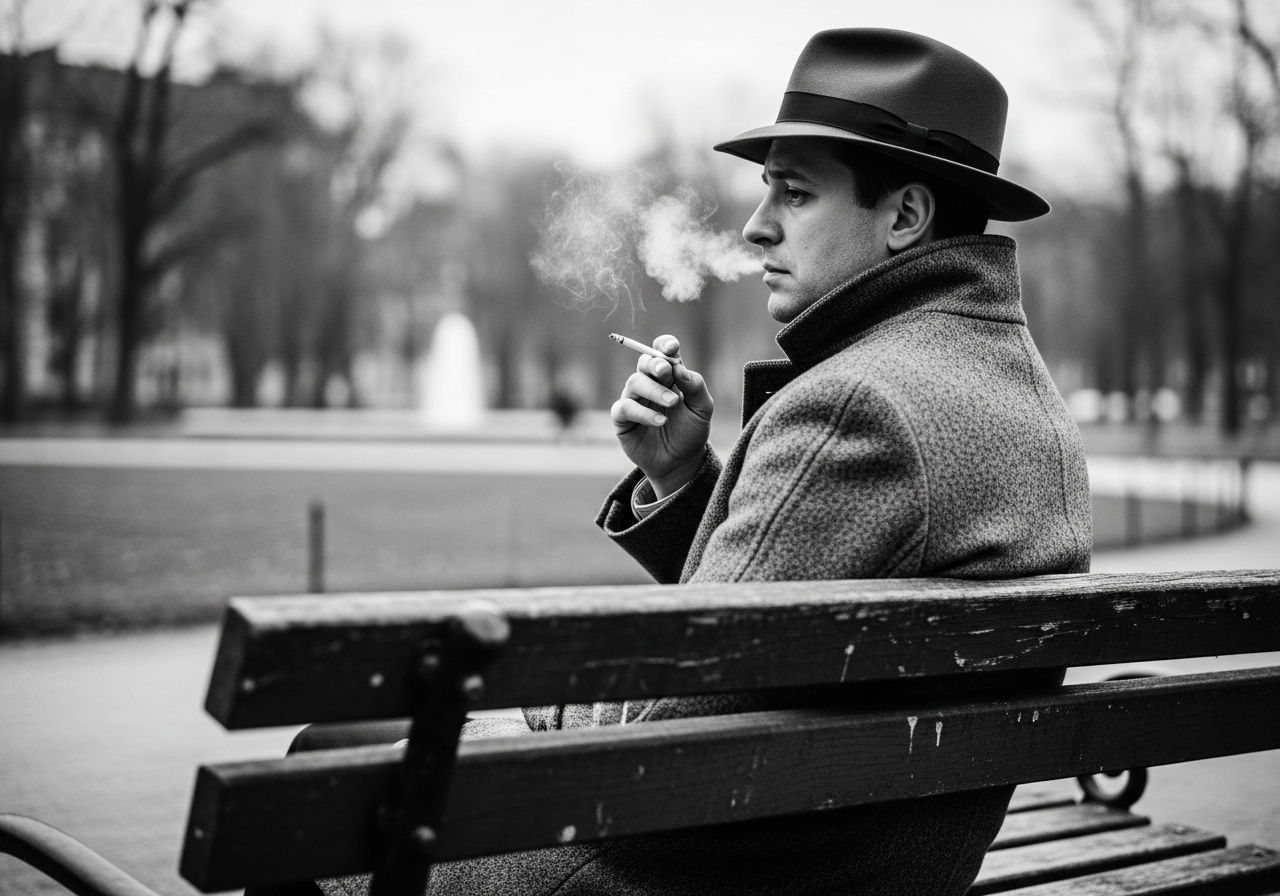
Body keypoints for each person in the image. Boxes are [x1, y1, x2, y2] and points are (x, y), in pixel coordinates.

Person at [319, 27, 1092, 896]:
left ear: (905, 217)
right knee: (346, 754)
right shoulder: (1015, 390)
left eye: (793, 196)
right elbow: (799, 622)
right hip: (853, 846)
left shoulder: (856, 407)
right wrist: (687, 483)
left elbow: (662, 724)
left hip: (703, 869)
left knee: (318, 798)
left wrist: (536, 711)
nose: (758, 229)